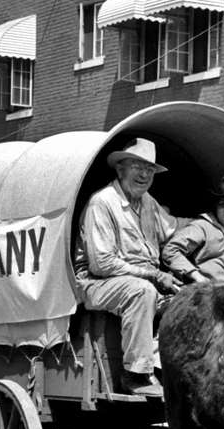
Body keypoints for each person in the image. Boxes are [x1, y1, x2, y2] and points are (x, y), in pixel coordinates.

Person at [74, 137, 181, 397]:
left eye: (150, 170)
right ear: (120, 169)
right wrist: (155, 274)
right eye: (137, 167)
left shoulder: (148, 203)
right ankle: (135, 374)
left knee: (190, 298)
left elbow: (174, 229)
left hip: (141, 280)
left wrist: (210, 226)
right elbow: (102, 264)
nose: (144, 174)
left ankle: (166, 370)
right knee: (141, 292)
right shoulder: (102, 202)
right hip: (96, 283)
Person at [161, 176, 224, 284]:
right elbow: (171, 250)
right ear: (216, 207)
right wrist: (196, 276)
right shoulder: (202, 227)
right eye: (223, 204)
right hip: (203, 292)